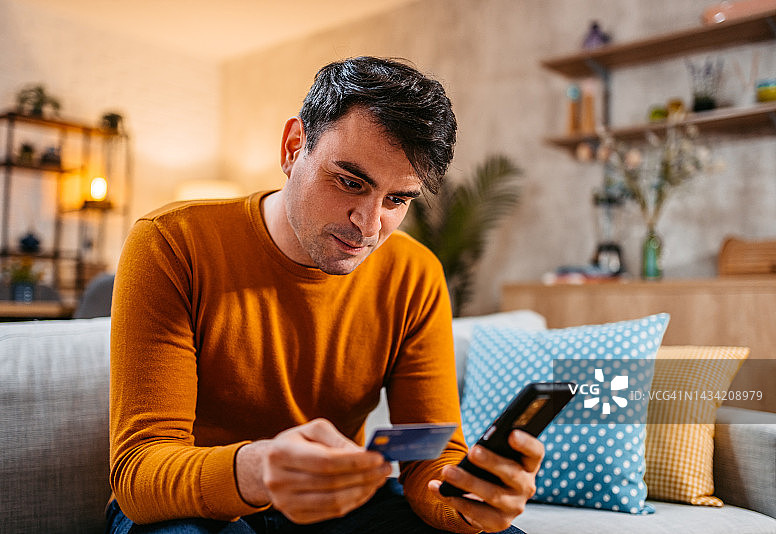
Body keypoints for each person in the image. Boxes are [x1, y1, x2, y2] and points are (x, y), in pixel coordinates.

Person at [107, 56, 541, 534]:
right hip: (192, 506)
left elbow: (427, 458)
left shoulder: (416, 275)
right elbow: (139, 471)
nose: (370, 225)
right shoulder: (171, 243)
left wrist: (465, 504)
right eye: (350, 182)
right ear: (294, 147)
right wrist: (259, 470)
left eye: (397, 199)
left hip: (339, 505)